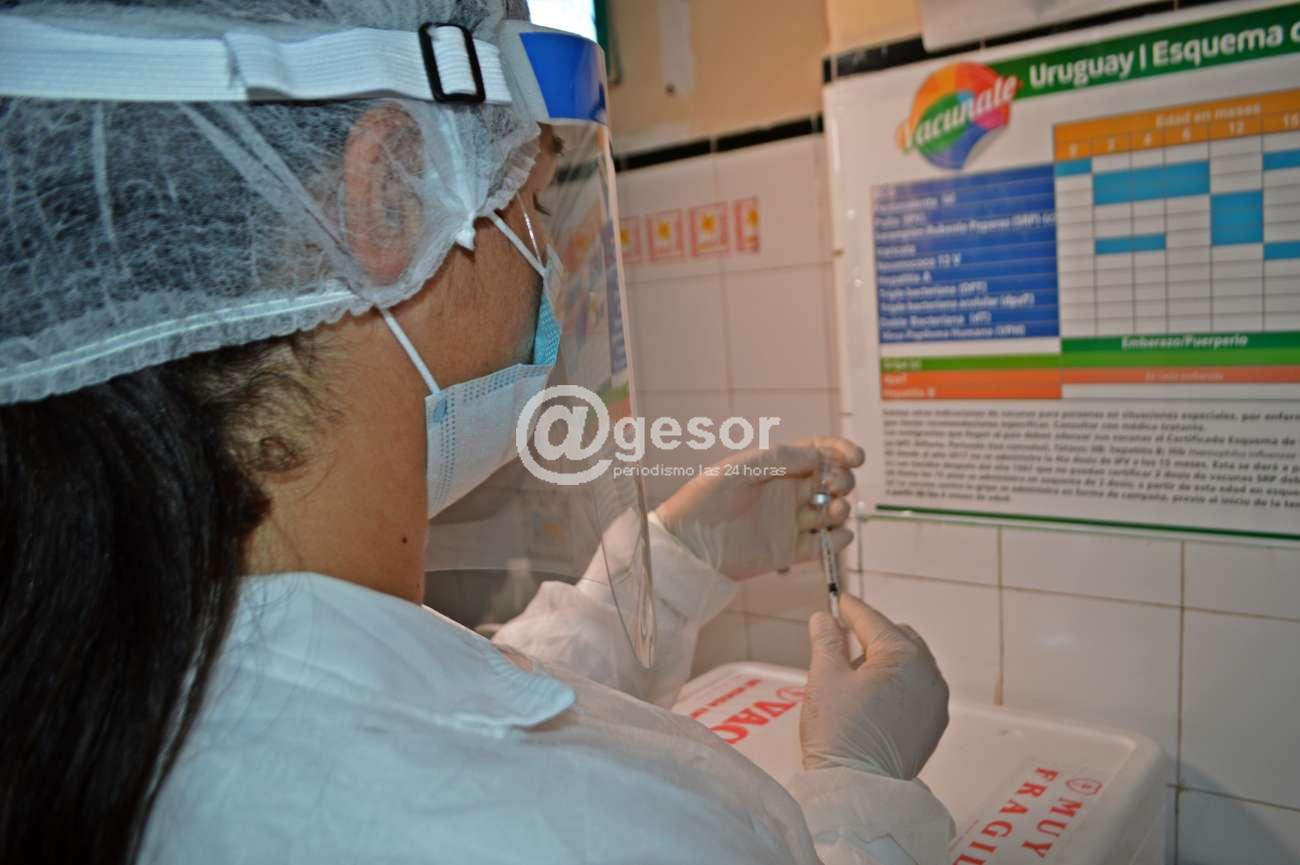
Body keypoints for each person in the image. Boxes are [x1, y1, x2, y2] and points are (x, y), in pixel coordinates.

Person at [0, 2, 952, 864]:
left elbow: (421, 687)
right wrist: (857, 797)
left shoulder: (109, 670)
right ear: (389, 195)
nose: (548, 261)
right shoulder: (527, 831)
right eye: (532, 201)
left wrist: (673, 559)